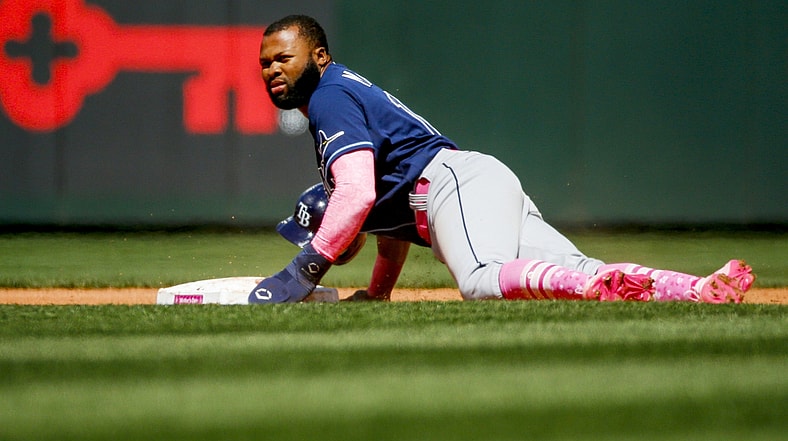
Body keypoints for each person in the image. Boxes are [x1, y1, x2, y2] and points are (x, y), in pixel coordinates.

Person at [248, 14, 754, 304]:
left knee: (481, 279)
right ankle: (696, 290)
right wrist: (376, 295)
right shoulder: (343, 91)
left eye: (282, 57)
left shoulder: (329, 98)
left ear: (318, 56)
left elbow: (356, 194)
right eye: (265, 62)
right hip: (472, 181)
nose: (271, 68)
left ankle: (591, 284)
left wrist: (301, 272)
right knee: (577, 265)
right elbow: (385, 231)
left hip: (450, 187)